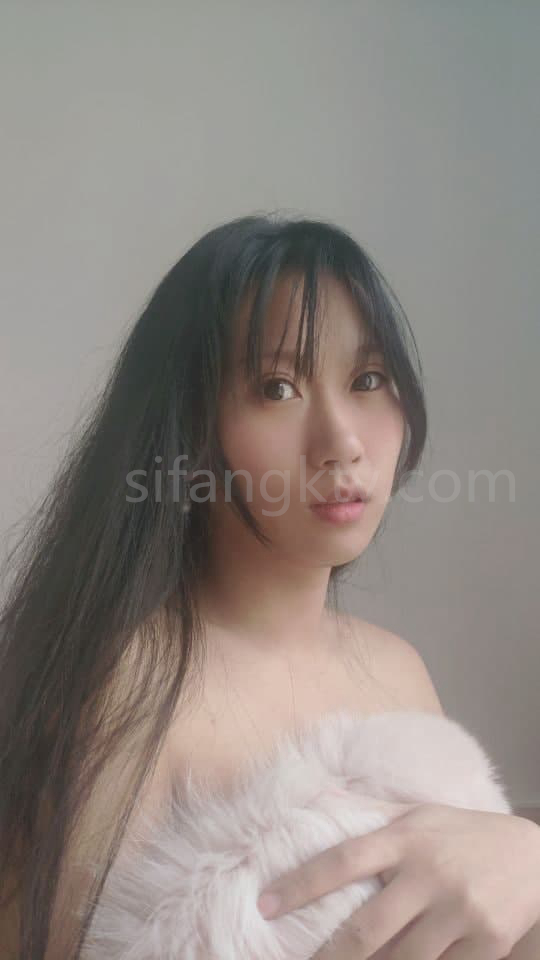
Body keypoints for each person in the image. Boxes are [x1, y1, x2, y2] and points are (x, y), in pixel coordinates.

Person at [1, 213, 539, 960]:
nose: (343, 442)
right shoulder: (120, 689)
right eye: (277, 387)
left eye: (368, 379)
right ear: (187, 430)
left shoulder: (397, 670)